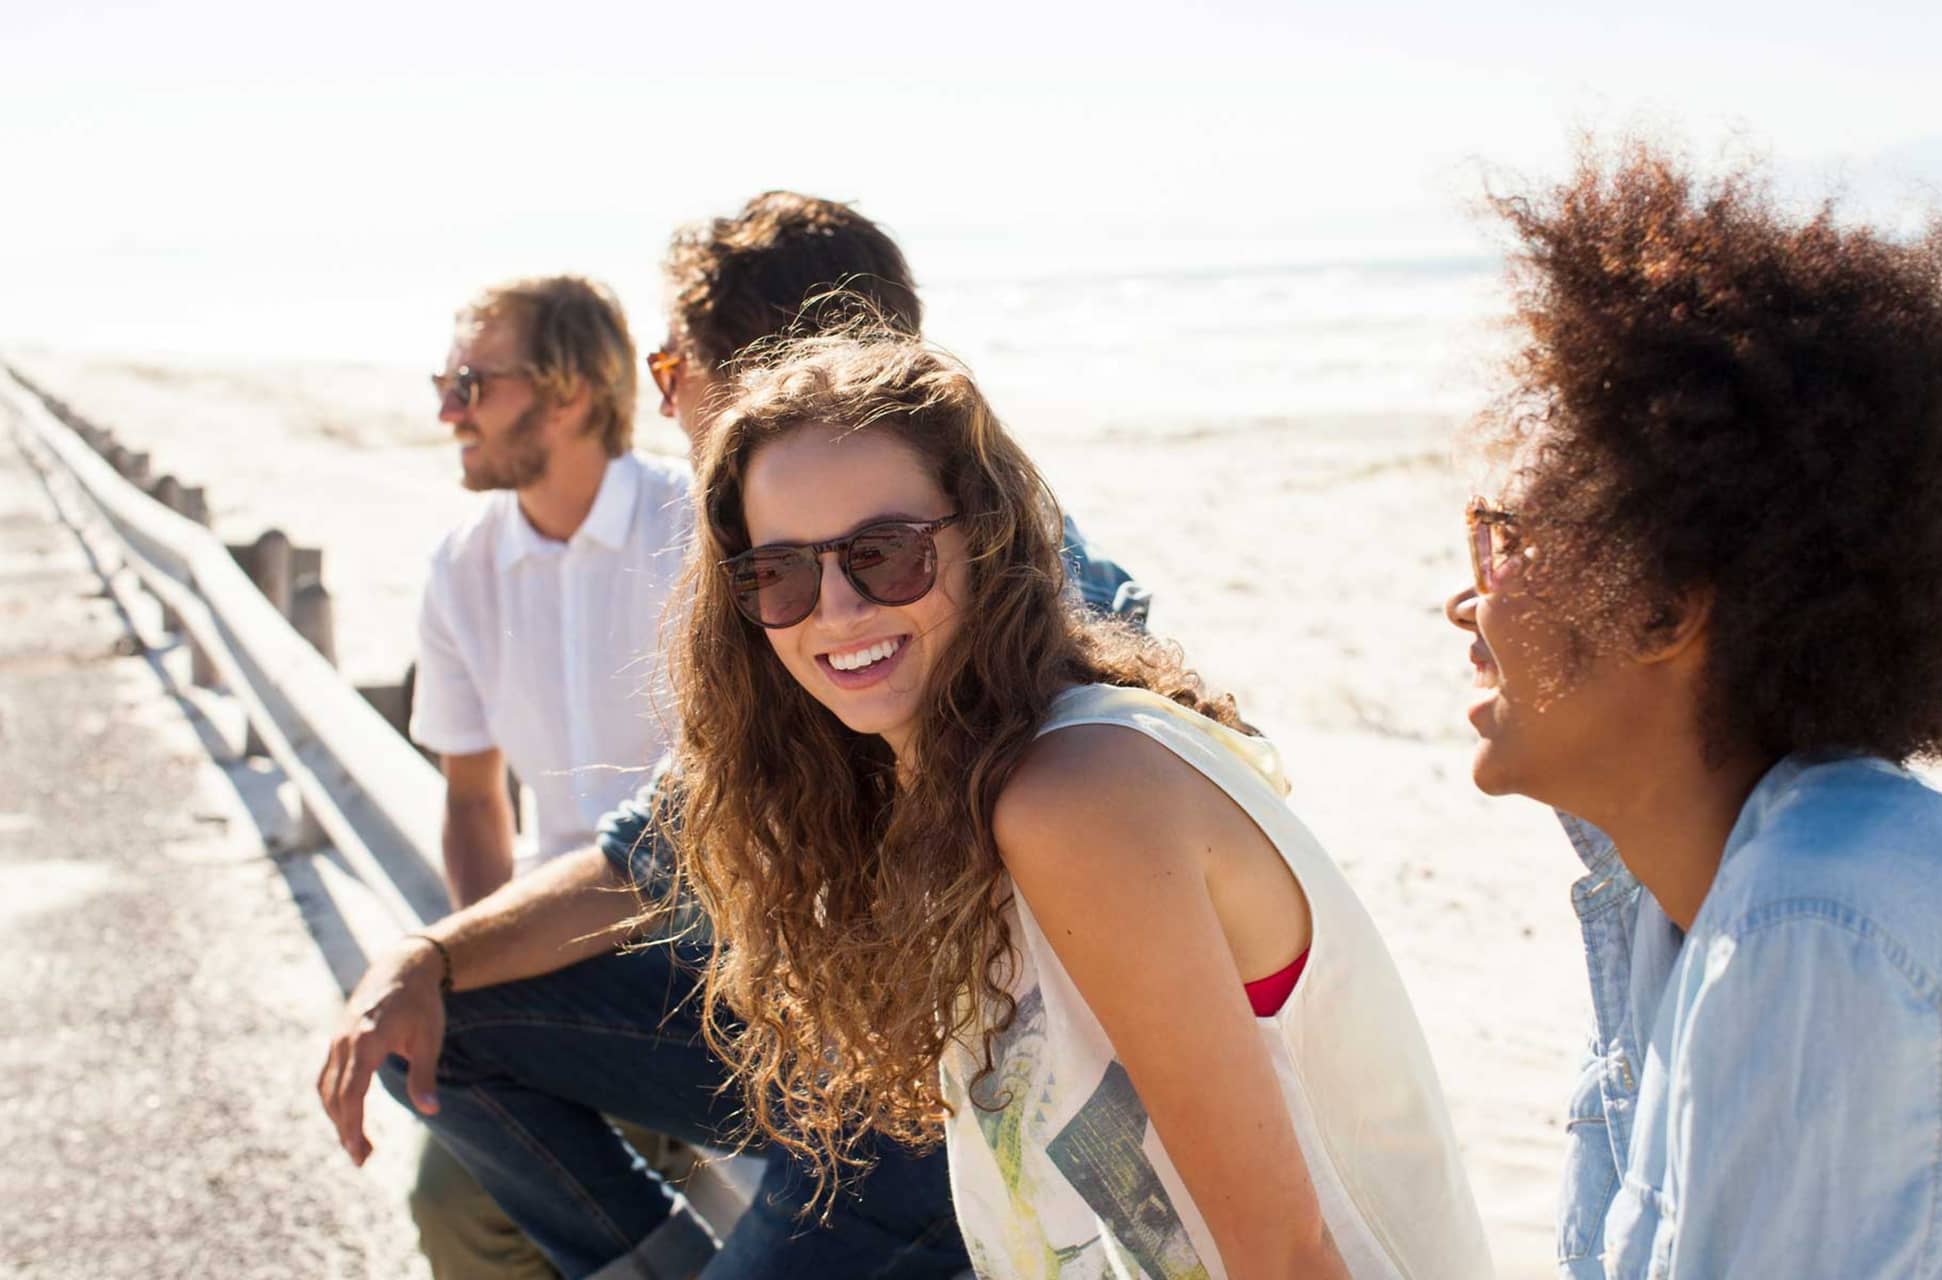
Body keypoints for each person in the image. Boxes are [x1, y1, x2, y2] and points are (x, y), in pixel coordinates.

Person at [320, 192, 1143, 1279]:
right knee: (443, 1028)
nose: (664, 407)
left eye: (672, 370)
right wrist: (425, 958)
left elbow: (658, 863)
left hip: (947, 1103)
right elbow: (662, 849)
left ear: (761, 377)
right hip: (818, 1038)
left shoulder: (934, 587)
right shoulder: (808, 563)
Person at [659, 328, 1494, 1279]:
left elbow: (1281, 1254)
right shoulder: (967, 791)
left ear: (983, 539)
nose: (837, 610)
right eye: (782, 573)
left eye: (884, 555)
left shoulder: (1075, 798)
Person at [1443, 142, 1942, 1277]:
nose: (1464, 595)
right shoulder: (1694, 894)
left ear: (1661, 603)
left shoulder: (1814, 924)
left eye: (1507, 536)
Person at [408, 275, 697, 1278]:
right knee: (451, 1202)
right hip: (549, 934)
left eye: (469, 382)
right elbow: (470, 796)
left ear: (569, 394)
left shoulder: (698, 528)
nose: (448, 409)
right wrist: (488, 970)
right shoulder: (460, 563)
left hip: (704, 945)